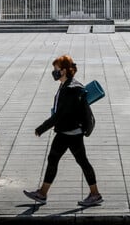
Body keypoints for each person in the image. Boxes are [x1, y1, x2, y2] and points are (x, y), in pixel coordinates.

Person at [23, 55, 103, 207]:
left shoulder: (70, 89)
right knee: (58, 160)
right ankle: (43, 193)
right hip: (69, 131)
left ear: (64, 71)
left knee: (78, 162)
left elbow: (60, 115)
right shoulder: (67, 85)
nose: (54, 72)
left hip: (69, 132)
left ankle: (94, 194)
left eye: (56, 69)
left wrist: (41, 128)